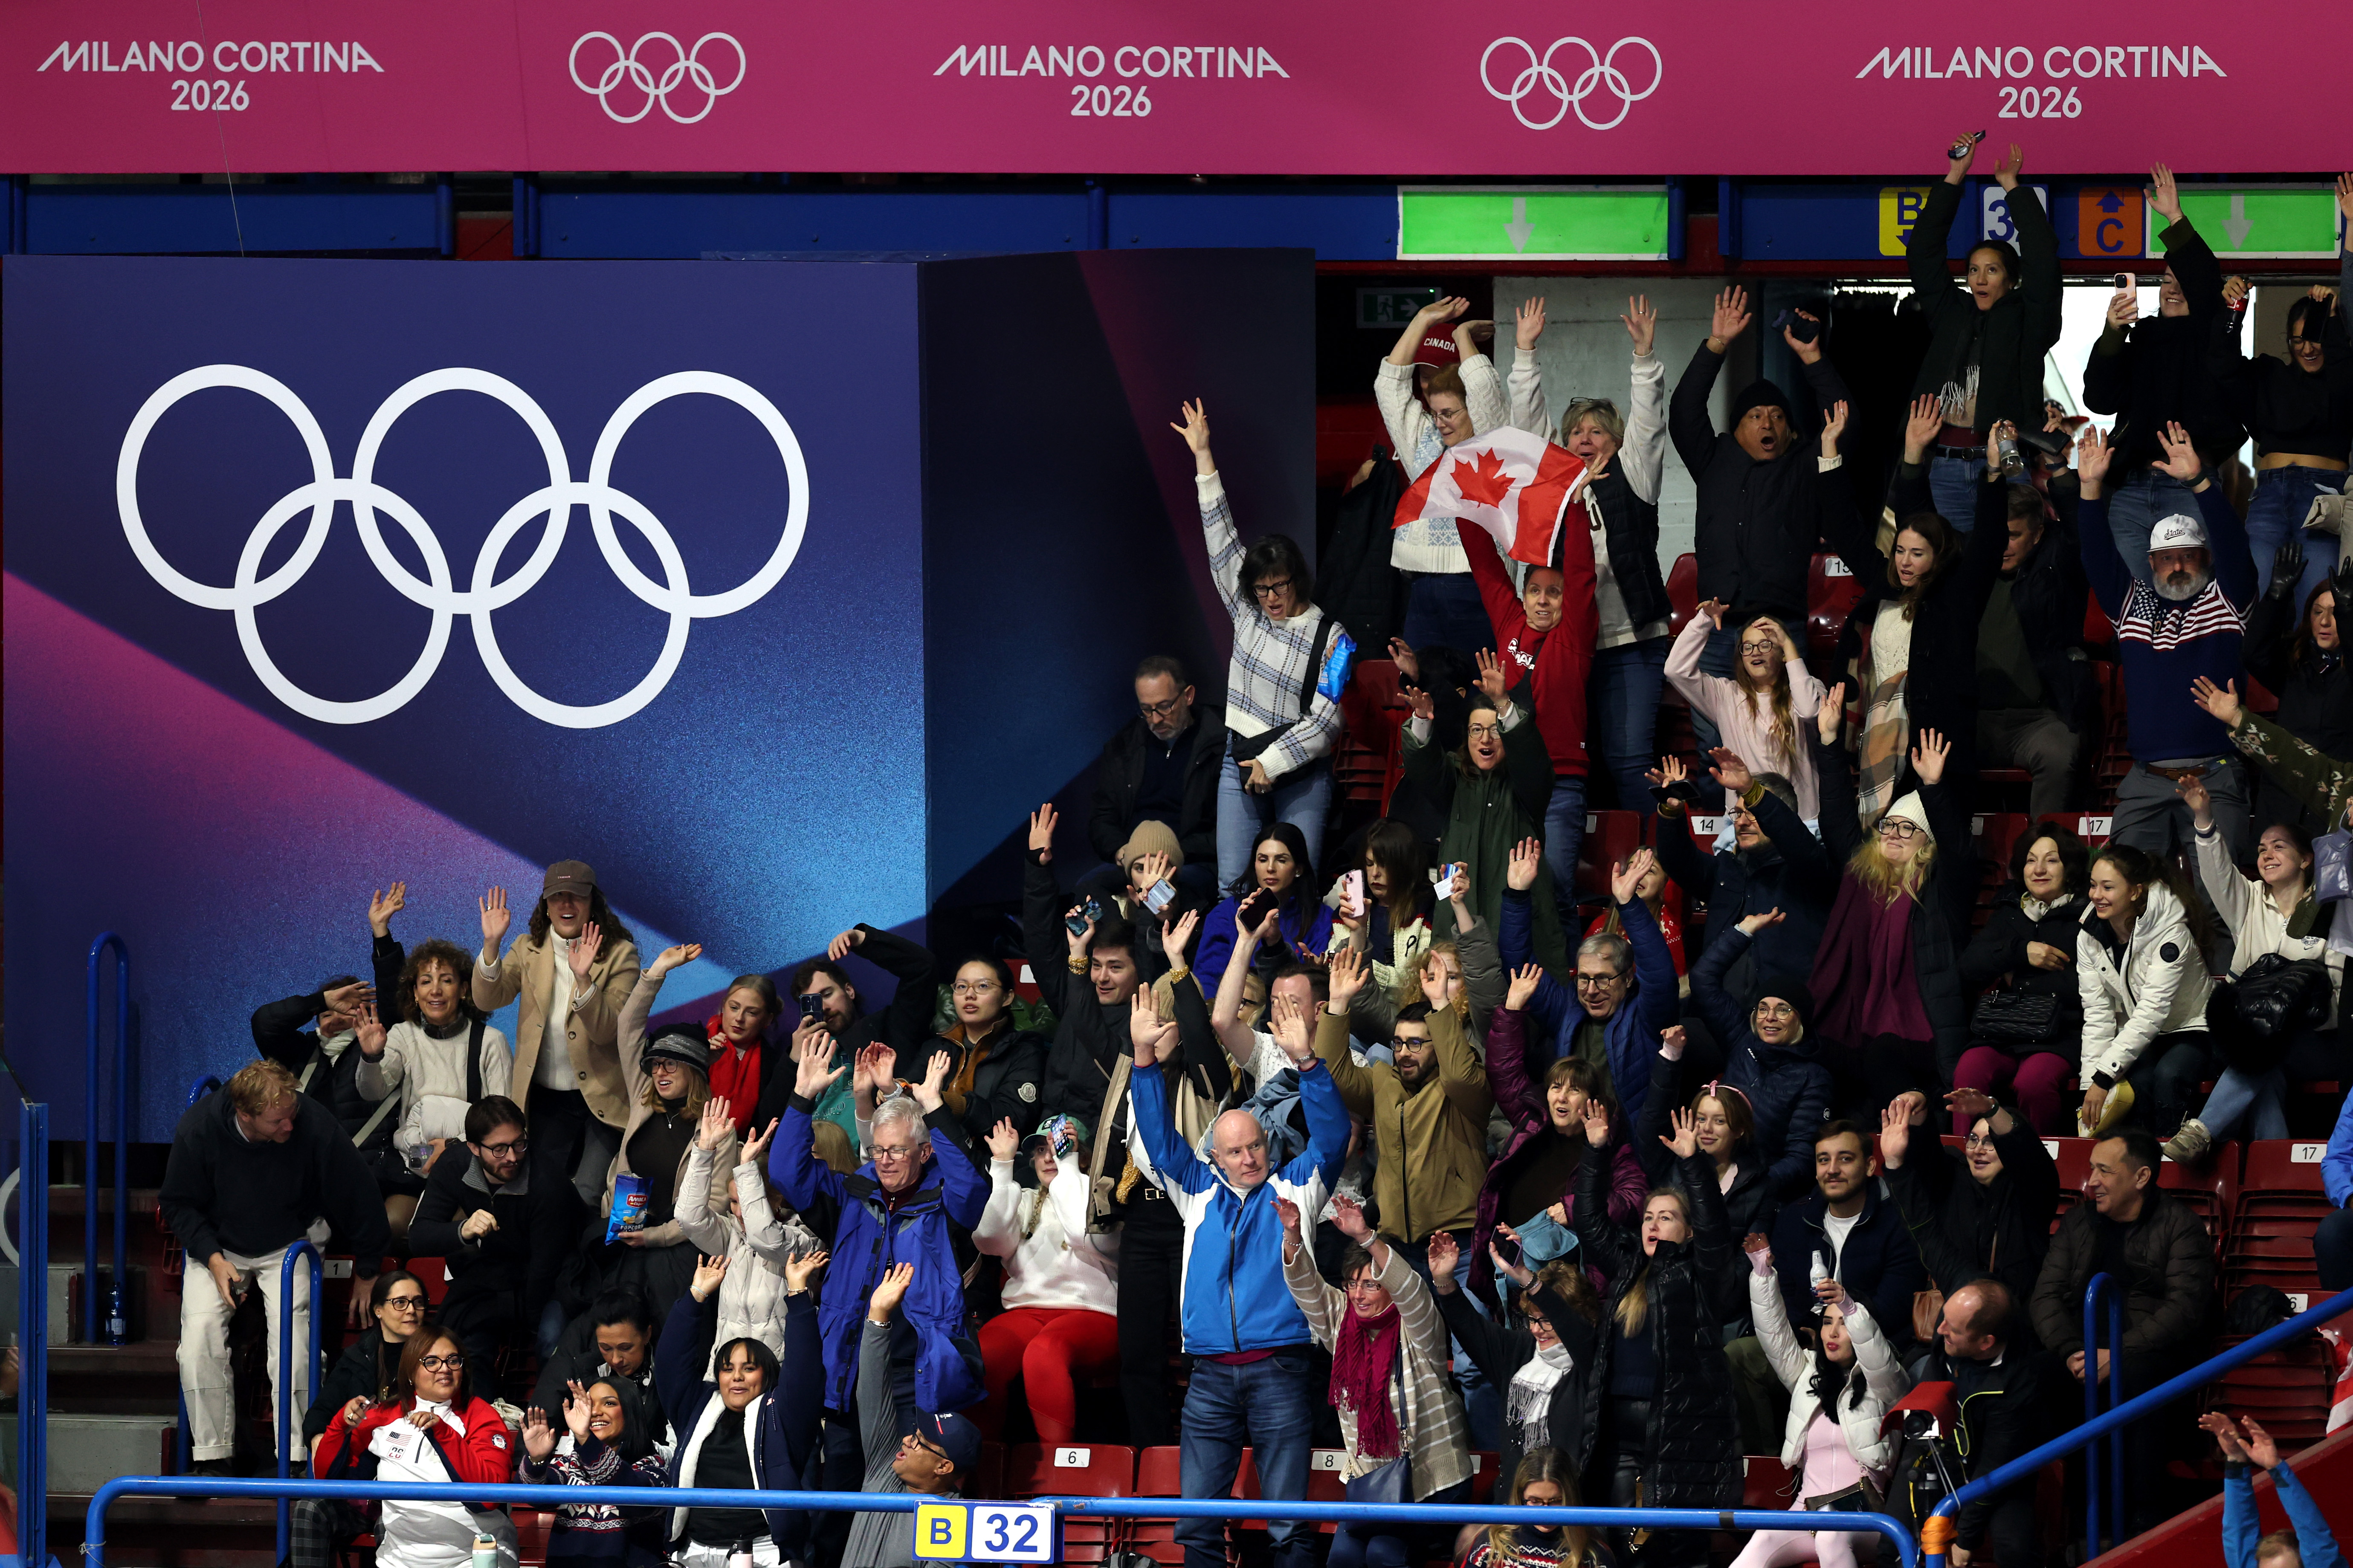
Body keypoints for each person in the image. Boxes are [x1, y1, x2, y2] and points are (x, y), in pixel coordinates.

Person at [1127, 979, 1348, 1568]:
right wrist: (1144, 1060)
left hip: (1279, 1368)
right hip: (1207, 1380)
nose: (1249, 1157)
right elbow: (1156, 1138)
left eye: (1256, 1146)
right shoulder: (1194, 1189)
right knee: (1196, 1527)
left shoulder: (1297, 1183)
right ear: (1215, 1156)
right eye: (1235, 1151)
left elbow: (1332, 1138)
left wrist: (1307, 1062)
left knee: (1287, 1529)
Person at [773, 1033, 986, 1531]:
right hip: (849, 1375)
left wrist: (933, 1106)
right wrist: (801, 1097)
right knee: (840, 1507)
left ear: (925, 1153)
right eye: (879, 1150)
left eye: (898, 1151)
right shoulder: (853, 1194)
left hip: (918, 1381)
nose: (885, 1160)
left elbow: (974, 1189)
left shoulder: (948, 1203)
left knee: (907, 1514)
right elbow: (786, 1173)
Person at [162, 1060, 389, 1476]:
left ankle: (298, 1455)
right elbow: (178, 1203)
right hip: (219, 1245)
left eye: (292, 1114)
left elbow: (358, 1191)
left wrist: (369, 1267)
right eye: (277, 1120)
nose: (289, 1125)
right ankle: (214, 1457)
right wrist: (212, 1258)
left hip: (291, 1237)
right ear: (245, 1115)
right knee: (197, 1341)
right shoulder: (200, 1128)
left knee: (296, 1343)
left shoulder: (311, 1123)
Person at [1507, 294, 1677, 819]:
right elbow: (1528, 429)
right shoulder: (1552, 484)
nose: (1583, 438)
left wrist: (1644, 358)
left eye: (1596, 430)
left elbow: (1649, 425)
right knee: (1576, 761)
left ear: (1616, 440)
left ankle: (1653, 864)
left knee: (1628, 762)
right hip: (1566, 644)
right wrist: (1523, 354)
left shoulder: (1635, 474)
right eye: (1576, 430)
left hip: (1631, 644)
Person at [1174, 398, 1351, 886]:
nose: (1271, 597)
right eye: (1262, 589)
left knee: (1297, 885)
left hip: (1298, 774)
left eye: (1280, 586)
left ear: (1297, 579)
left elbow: (1327, 720)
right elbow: (1221, 539)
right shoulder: (1248, 613)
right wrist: (1203, 458)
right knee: (1232, 882)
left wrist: (1271, 765)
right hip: (1239, 761)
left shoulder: (1332, 638)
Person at [1668, 287, 1853, 748]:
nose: (1767, 424)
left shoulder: (1803, 466)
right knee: (1717, 745)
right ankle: (1723, 822)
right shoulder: (1714, 459)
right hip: (1715, 628)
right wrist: (1716, 345)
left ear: (1790, 430)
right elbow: (1683, 412)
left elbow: (1843, 422)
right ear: (1737, 427)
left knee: (1784, 741)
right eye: (1755, 416)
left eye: (1776, 417)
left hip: (1780, 628)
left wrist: (1812, 357)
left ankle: (1785, 819)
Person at [2074, 420, 2261, 859]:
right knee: (2123, 899)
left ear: (2205, 559)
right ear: (2150, 564)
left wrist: (2199, 483)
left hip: (2215, 776)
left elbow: (2234, 548)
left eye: (2188, 557)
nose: (2177, 567)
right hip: (2144, 780)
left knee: (2219, 909)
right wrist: (2088, 489)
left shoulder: (2227, 600)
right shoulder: (2131, 604)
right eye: (2165, 560)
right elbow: (2098, 555)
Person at [1568, 1102, 1742, 1566]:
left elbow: (1716, 1229)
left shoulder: (1701, 1274)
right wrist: (1596, 1152)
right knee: (1626, 1549)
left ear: (1687, 1232)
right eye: (1648, 1217)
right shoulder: (1626, 1270)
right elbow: (1588, 1221)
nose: (1653, 1224)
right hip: (1621, 1436)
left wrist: (1691, 1163)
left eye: (1667, 1217)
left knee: (1680, 1552)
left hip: (1680, 1433)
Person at [1819, 401, 2011, 819]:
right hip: (1881, 740)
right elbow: (1844, 528)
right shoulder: (1884, 584)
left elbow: (1990, 542)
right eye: (1900, 551)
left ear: (1938, 558)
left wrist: (1993, 474)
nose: (1905, 561)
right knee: (1880, 857)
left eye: (1917, 554)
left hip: (1936, 747)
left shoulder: (1957, 597)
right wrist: (1832, 454)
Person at [2030, 1129, 2214, 1539]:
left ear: (2142, 1177)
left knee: (2137, 1381)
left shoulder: (2181, 1227)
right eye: (2091, 1169)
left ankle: (2143, 1524)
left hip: (2148, 1354)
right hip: (2082, 1353)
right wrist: (2072, 1352)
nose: (2090, 1181)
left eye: (2103, 1171)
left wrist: (2116, 1352)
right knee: (2034, 1376)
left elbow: (2185, 1310)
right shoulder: (2079, 1222)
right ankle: (2065, 1521)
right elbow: (2045, 1297)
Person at [1279, 1192, 1472, 1568]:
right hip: (1374, 1487)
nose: (1358, 1295)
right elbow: (1308, 1290)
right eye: (1352, 1284)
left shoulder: (1417, 1326)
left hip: (1432, 1485)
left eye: (1371, 1284)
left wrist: (1366, 1237)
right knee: (1342, 1559)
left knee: (1384, 1554)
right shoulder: (1342, 1324)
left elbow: (1412, 1287)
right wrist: (1292, 1236)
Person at [2164, 775, 2344, 1160]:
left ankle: (2204, 1129)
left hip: (2315, 1039)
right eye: (2262, 848)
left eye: (2279, 847)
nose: (2267, 855)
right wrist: (2203, 817)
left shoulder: (2330, 908)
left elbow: (2336, 994)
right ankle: (2275, 1163)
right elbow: (2216, 873)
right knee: (2265, 1076)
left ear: (2306, 859)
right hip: (2247, 1035)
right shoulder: (2247, 901)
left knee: (2263, 1056)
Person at [1459, 440, 1601, 911]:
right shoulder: (1509, 624)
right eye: (1535, 591)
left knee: (1556, 888)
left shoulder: (1574, 636)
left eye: (1553, 594)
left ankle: (1560, 982)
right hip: (1510, 781)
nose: (1543, 601)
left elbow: (1581, 573)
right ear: (1522, 596)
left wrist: (1577, 507)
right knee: (1507, 891)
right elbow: (1484, 564)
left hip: (1561, 782)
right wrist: (1464, 503)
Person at [1808, 718, 1973, 1118]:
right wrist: (1830, 745)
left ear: (1927, 842)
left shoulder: (1941, 888)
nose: (1893, 834)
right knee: (1819, 1051)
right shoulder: (1865, 882)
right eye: (1889, 825)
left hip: (1925, 1030)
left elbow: (1959, 850)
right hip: (1867, 1023)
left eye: (1907, 828)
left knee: (1881, 1059)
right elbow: (1836, 822)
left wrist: (1933, 789)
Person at [2082, 162, 2239, 576]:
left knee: (2188, 605)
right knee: (2132, 608)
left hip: (2189, 487)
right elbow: (2098, 398)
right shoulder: (2143, 339)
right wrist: (2113, 331)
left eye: (2180, 281)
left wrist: (2174, 218)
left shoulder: (2209, 337)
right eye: (2165, 280)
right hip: (2132, 490)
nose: (2171, 287)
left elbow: (2204, 282)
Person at [2211, 173, 2353, 605]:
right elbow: (2221, 367)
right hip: (2269, 493)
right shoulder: (2268, 375)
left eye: (2316, 338)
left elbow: (2342, 357)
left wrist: (2331, 316)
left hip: (2324, 494)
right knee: (2256, 604)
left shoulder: (2340, 377)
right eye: (2298, 340)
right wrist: (2234, 310)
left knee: (2318, 604)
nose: (2308, 348)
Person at [1906, 138, 2063, 526]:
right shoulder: (1951, 312)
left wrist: (2011, 186)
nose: (1979, 278)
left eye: (1991, 270)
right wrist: (1956, 174)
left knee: (2009, 569)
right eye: (1973, 270)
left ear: (2010, 279)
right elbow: (1923, 253)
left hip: (2008, 467)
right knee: (1949, 571)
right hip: (1943, 468)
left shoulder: (2029, 320)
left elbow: (2043, 261)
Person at [471, 862, 642, 1206]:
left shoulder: (620, 954)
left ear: (593, 902)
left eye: (576, 897)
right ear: (545, 906)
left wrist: (584, 980)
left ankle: (581, 1259)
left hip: (601, 1100)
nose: (566, 905)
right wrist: (492, 945)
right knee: (542, 1192)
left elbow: (607, 1030)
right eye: (557, 897)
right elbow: (488, 998)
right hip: (544, 1100)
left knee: (586, 1195)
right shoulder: (527, 948)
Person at [1732, 1245, 1911, 1568]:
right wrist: (1762, 1275)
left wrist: (1848, 1304)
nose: (1832, 1332)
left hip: (1865, 1517)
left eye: (1844, 1323)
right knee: (1763, 1537)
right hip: (1807, 1511)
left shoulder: (1887, 1384)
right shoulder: (1806, 1375)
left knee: (1831, 1534)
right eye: (1828, 1322)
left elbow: (1878, 1358)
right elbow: (1774, 1336)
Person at [1477, 967, 1648, 1297]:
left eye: (1574, 1091)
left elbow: (1635, 1200)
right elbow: (1505, 1072)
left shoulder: (1610, 1147)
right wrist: (1512, 1010)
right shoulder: (1534, 1122)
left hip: (1565, 1282)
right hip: (1510, 1267)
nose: (1561, 1097)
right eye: (1556, 1087)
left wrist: (1575, 1210)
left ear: (1591, 1101)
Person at [651, 1250, 827, 1568]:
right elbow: (669, 1364)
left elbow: (806, 1371)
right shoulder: (698, 1406)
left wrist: (798, 1294)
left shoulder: (783, 1414)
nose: (736, 1377)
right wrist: (696, 1297)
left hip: (764, 1553)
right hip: (694, 1551)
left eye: (749, 1368)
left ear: (768, 1374)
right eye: (727, 1368)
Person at [1317, 948, 1491, 1251]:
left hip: (1459, 1239)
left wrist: (1440, 1004)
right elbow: (1331, 1074)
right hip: (1397, 1243)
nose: (1403, 1053)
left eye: (1415, 1043)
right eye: (1398, 1043)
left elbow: (1459, 1076)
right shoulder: (1383, 1082)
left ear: (1439, 1043)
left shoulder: (1465, 1090)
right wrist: (1339, 1003)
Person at [603, 940, 737, 1325]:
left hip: (678, 1247)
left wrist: (657, 1237)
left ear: (694, 1071)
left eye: (671, 1066)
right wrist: (658, 970)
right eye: (656, 1064)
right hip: (627, 1232)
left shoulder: (717, 1128)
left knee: (665, 1317)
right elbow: (627, 1030)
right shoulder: (644, 1101)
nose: (659, 1073)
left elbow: (711, 1207)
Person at [1375, 295, 1516, 654]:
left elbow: (1484, 391)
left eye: (1449, 413)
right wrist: (1421, 318)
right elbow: (1388, 388)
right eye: (1424, 376)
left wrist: (1463, 336)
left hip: (1479, 587)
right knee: (1425, 700)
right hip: (1422, 589)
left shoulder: (1493, 439)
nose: (1440, 421)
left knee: (1481, 701)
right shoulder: (1424, 435)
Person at [1403, 649, 1561, 971]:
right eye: (1476, 729)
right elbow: (1423, 767)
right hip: (1455, 914)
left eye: (1495, 730)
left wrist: (1504, 702)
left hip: (1515, 919)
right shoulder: (1455, 778)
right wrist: (1420, 720)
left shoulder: (1526, 785)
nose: (1485, 738)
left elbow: (1531, 758)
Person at [1499, 843, 1678, 1124]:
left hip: (1622, 1150)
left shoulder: (1647, 1017)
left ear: (1629, 978)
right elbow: (1519, 966)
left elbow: (1660, 975)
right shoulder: (1566, 1008)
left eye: (1604, 980)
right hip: (1567, 1137)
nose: (1592, 991)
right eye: (1584, 979)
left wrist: (1629, 904)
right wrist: (1518, 895)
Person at [311, 1328, 517, 1568]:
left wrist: (443, 1434)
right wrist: (339, 1427)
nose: (445, 1369)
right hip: (398, 1561)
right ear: (410, 1373)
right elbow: (327, 1480)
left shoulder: (482, 1416)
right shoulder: (385, 1416)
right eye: (431, 1362)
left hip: (471, 1558)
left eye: (453, 1360)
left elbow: (487, 1500)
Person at [970, 1114, 1119, 1443]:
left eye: (1061, 1147)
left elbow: (1086, 1235)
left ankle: (1059, 1475)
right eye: (1041, 1149)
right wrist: (1003, 1167)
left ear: (1084, 1154)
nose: (1050, 1157)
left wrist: (1070, 1168)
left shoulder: (1105, 1198)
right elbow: (989, 1240)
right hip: (1026, 1313)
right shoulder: (1021, 1198)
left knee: (1045, 1352)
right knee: (983, 1357)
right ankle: (984, 1477)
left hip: (1091, 1313)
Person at [1431, 1222, 1601, 1506]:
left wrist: (1525, 1276)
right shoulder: (1520, 1351)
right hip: (1511, 1507)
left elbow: (1576, 1332)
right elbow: (1470, 1327)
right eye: (1532, 1319)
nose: (1537, 1330)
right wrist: (1445, 1282)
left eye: (1547, 1320)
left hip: (1568, 1511)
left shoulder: (1590, 1360)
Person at [405, 1094, 580, 1367]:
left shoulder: (548, 1183)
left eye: (519, 1144)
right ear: (474, 1148)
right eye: (499, 1149)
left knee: (550, 1343)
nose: (512, 1157)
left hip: (555, 1275)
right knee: (462, 1344)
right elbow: (419, 1237)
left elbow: (544, 1269)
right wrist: (463, 1231)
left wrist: (518, 1319)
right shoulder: (454, 1165)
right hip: (492, 1272)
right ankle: (480, 1408)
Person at [1651, 753, 1838, 998]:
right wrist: (1672, 813)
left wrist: (1753, 790)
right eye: (1738, 813)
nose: (1741, 822)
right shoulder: (1727, 868)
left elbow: (1797, 842)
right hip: (1719, 1010)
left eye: (1753, 812)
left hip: (1783, 1018)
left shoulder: (1810, 869)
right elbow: (1679, 861)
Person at [250, 962, 412, 1236]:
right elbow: (264, 1023)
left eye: (345, 1012)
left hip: (367, 1177)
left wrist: (381, 937)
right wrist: (320, 1000)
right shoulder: (300, 1052)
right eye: (326, 1014)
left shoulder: (384, 1047)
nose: (334, 1020)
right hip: (304, 1179)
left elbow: (395, 1001)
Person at [1876, 1091, 2058, 1335]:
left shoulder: (2031, 1193)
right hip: (1956, 1323)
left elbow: (2031, 1159)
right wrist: (1918, 1114)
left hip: (2018, 1329)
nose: (1978, 1150)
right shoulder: (1953, 1179)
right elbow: (1927, 1156)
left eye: (1991, 1141)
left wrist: (1992, 1110)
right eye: (1973, 1139)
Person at [843, 1263, 985, 1568]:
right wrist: (878, 1316)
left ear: (944, 1466)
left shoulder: (954, 1521)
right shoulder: (885, 1469)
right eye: (916, 1434)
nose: (908, 1440)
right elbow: (872, 1394)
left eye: (921, 1441)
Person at [1953, 825, 2092, 1134]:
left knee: (2033, 1082)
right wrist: (2019, 952)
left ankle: (2036, 1162)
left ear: (2069, 869)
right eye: (2031, 860)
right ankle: (1963, 1157)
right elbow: (1968, 968)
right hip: (2003, 1028)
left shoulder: (2087, 916)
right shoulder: (2009, 912)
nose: (2039, 869)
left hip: (2060, 1034)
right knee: (1969, 1070)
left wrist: (2019, 981)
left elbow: (2085, 988)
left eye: (2051, 860)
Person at [1682, 915, 1832, 1201]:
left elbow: (1801, 1158)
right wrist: (1743, 932)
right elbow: (1703, 979)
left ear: (1800, 1019)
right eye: (1763, 1009)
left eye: (1783, 1010)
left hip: (1761, 1195)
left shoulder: (1813, 1078)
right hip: (1709, 1176)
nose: (1770, 1019)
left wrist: (1747, 1188)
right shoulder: (1742, 1040)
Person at [753, 923, 940, 1149]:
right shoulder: (801, 1055)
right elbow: (765, 1126)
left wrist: (864, 940)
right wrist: (793, 1061)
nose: (824, 1007)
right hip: (811, 1164)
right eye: (812, 1002)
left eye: (828, 994)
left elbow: (923, 968)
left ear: (849, 991)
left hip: (875, 1161)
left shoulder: (888, 1027)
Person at [290, 1270, 431, 1568]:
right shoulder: (359, 1356)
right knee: (309, 1508)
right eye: (401, 1302)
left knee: (393, 1523)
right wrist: (323, 1445)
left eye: (418, 1302)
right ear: (378, 1309)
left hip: (413, 1491)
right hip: (359, 1487)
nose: (411, 1310)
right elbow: (317, 1417)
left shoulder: (438, 1355)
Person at [2075, 842, 2215, 1140]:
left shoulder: (2171, 933)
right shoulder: (2089, 936)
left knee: (2169, 1077)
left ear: (2136, 891)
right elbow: (2098, 1014)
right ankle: (2135, 1165)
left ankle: (2172, 1161)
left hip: (2192, 1027)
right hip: (2143, 1034)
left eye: (2108, 887)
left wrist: (2104, 1074)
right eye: (2093, 885)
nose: (2096, 895)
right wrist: (2092, 1083)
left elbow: (2152, 1011)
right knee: (2135, 1082)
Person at [355, 937, 514, 1183]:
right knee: (396, 1220)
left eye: (447, 980)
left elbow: (503, 1120)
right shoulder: (403, 1034)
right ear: (415, 993)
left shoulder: (491, 1041)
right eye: (426, 981)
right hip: (416, 1151)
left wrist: (453, 1145)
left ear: (463, 990)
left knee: (456, 1214)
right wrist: (370, 1057)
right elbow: (372, 1092)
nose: (435, 990)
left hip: (471, 1155)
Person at [675, 1100, 819, 1370]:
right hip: (729, 1371)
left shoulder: (804, 1238)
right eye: (733, 1202)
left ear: (776, 1199)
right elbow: (688, 1219)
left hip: (778, 1373)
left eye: (750, 1201)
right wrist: (705, 1150)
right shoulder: (730, 1235)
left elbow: (766, 1239)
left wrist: (747, 1168)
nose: (740, 1212)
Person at [1914, 1280, 2047, 1568]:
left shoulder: (2021, 1384)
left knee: (2014, 1549)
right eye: (1944, 1318)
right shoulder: (1950, 1329)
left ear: (1986, 1342)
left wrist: (1965, 1541)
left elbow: (1993, 1467)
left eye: (1953, 1328)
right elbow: (1925, 1406)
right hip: (1943, 1456)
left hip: (1998, 1476)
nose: (1939, 1330)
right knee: (1897, 1538)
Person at [1765, 1122, 1926, 1350]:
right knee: (1739, 1355)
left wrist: (1839, 1338)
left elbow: (1894, 1307)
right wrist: (1804, 1333)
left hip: (1875, 1346)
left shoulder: (1898, 1221)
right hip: (1803, 1341)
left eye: (1845, 1159)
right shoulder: (1794, 1218)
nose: (1832, 1170)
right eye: (1823, 1160)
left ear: (1870, 1166)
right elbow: (1784, 1291)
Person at [1088, 653, 1226, 909]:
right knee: (1089, 891)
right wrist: (1122, 851)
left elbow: (1228, 830)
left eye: (1164, 707)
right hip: (1133, 860)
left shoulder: (1220, 744)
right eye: (1146, 710)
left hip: (1190, 862)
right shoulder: (1125, 747)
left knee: (1173, 894)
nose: (1156, 719)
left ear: (1188, 696)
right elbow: (1102, 816)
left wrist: (1171, 854)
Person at [1665, 604, 1828, 820]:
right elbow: (1675, 671)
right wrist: (1704, 620)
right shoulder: (1725, 695)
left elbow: (1808, 711)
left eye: (1765, 645)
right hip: (1744, 823)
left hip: (1802, 820)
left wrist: (1789, 646)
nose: (1755, 652)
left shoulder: (1809, 687)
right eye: (1748, 647)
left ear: (1782, 652)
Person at [889, 954, 1048, 1153]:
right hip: (928, 1156)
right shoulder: (937, 1046)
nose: (969, 995)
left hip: (989, 1160)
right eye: (961, 986)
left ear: (1007, 997)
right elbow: (909, 1091)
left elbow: (1012, 1118)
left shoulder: (1025, 1050)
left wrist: (947, 1102)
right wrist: (891, 1089)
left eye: (983, 986)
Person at [2244, 550, 2353, 836]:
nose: (2326, 622)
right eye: (2318, 612)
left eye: (2336, 613)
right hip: (2283, 805)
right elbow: (2253, 654)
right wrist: (2275, 596)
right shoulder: (2294, 664)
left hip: (2335, 806)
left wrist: (2349, 614)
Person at [518, 1377, 669, 1567]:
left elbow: (632, 1496)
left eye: (609, 1403)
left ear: (631, 1411)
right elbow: (538, 1499)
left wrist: (586, 1439)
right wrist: (537, 1459)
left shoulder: (654, 1466)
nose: (595, 1412)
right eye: (589, 1404)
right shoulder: (572, 1463)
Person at [1192, 822, 1333, 1004]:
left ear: (1299, 869)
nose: (1270, 868)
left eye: (1281, 860)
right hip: (1231, 1017)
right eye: (1263, 859)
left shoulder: (1321, 917)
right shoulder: (1227, 913)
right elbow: (1207, 981)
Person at [2202, 1409, 2348, 1568]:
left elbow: (2313, 1533)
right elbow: (2239, 1534)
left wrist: (2277, 1468)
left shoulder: (2320, 1561)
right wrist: (2236, 1459)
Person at [533, 1291, 665, 1444]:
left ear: (647, 1335)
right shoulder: (585, 1370)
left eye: (626, 1348)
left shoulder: (669, 1370)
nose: (616, 1360)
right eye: (606, 1348)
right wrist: (536, 1460)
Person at [1463, 1448, 1612, 1568]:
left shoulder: (1593, 1557)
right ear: (1521, 1498)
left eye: (1556, 1501)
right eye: (1535, 1502)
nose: (1545, 1512)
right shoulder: (1491, 1547)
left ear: (1570, 1498)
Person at [700, 973, 780, 1135]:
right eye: (734, 1008)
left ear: (768, 1019)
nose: (739, 1018)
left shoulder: (773, 1063)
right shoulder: (698, 1043)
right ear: (724, 1006)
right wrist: (699, 1058)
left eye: (751, 1013)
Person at [1585, 853, 1685, 983]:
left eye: (1649, 870)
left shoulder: (1671, 917)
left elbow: (1682, 859)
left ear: (1665, 883)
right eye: (1632, 868)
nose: (1638, 875)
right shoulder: (1601, 924)